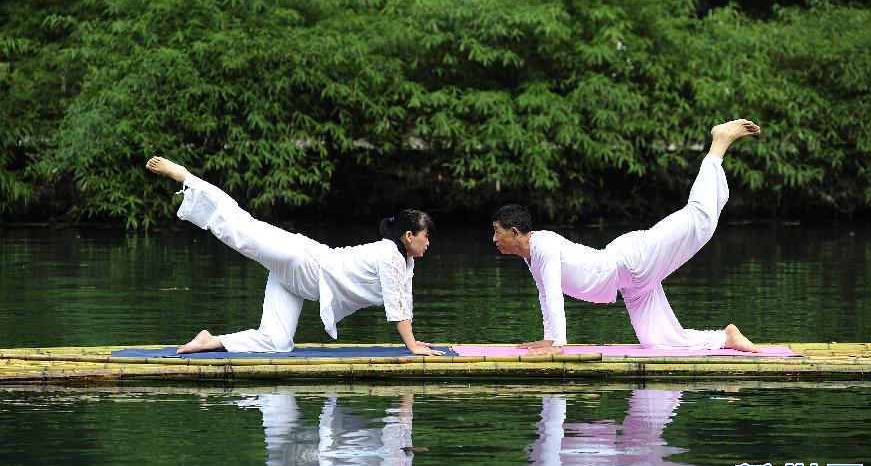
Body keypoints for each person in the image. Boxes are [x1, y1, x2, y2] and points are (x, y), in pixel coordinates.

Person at [491, 119, 762, 355]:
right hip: (630, 282)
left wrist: (557, 342)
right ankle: (725, 337)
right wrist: (548, 338)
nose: (494, 238)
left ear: (514, 232)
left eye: (496, 231)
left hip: (634, 259)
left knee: (698, 221)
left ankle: (718, 145)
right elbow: (544, 296)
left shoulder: (544, 244)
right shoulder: (532, 257)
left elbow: (554, 295)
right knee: (657, 342)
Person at [145, 156, 442, 355]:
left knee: (276, 342)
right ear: (408, 236)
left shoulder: (406, 262)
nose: (428, 243)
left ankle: (212, 341)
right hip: (303, 261)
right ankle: (185, 177)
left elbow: (404, 301)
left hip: (298, 282)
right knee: (243, 228)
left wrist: (414, 342)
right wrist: (412, 347)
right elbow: (396, 305)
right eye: (426, 236)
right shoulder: (390, 255)